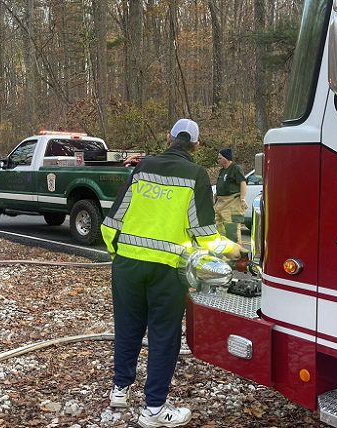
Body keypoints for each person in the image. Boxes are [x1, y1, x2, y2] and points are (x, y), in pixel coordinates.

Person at [100, 118, 241, 428]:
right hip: (166, 270)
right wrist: (233, 250)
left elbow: (112, 220)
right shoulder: (196, 175)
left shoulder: (143, 167)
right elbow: (204, 235)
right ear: (196, 145)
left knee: (127, 327)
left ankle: (119, 391)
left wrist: (118, 255)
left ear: (169, 138)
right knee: (163, 336)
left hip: (127, 264)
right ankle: (153, 410)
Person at [214, 148, 247, 245]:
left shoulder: (235, 168)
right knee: (219, 229)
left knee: (232, 231)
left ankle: (237, 255)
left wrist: (242, 198)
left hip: (232, 203)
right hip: (220, 203)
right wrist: (216, 196)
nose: (218, 160)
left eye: (220, 158)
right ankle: (226, 252)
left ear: (226, 158)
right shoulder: (222, 171)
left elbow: (242, 182)